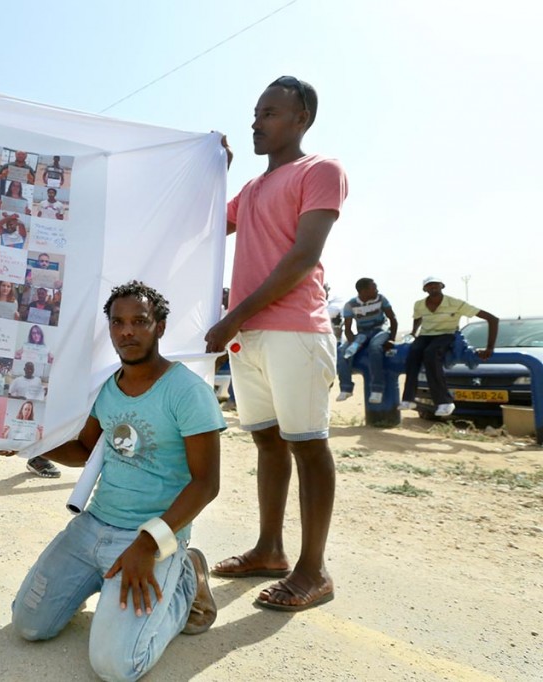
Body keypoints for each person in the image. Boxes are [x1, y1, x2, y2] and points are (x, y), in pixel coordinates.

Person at [6, 281, 224, 680]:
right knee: (29, 626)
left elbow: (206, 484)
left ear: (159, 326)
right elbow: (84, 452)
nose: (127, 331)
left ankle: (184, 579)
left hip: (149, 537)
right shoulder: (109, 386)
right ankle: (116, 593)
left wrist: (149, 542)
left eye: (139, 321)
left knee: (116, 667)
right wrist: (25, 444)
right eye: (118, 322)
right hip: (93, 526)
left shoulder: (188, 392)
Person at [203, 76, 347, 612]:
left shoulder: (321, 171)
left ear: (301, 118)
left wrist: (231, 317)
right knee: (267, 442)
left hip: (295, 332)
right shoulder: (252, 190)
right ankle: (270, 549)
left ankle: (315, 570)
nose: (256, 122)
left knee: (309, 446)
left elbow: (303, 258)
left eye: (269, 113)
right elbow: (204, 225)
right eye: (255, 112)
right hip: (250, 337)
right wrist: (212, 168)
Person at [400, 276, 498, 417]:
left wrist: (490, 348)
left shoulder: (455, 303)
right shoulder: (419, 304)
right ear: (425, 289)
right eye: (429, 285)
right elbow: (418, 317)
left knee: (431, 354)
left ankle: (444, 402)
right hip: (426, 335)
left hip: (446, 334)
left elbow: (492, 319)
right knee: (413, 353)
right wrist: (414, 332)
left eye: (436, 284)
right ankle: (408, 399)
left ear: (442, 286)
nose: (433, 287)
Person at [335, 278, 398, 403]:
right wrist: (353, 343)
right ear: (363, 291)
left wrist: (391, 339)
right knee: (343, 351)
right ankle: (346, 388)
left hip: (380, 330)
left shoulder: (381, 299)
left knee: (374, 347)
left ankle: (377, 389)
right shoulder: (351, 305)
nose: (377, 290)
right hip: (362, 333)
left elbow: (393, 319)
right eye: (373, 288)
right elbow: (348, 329)